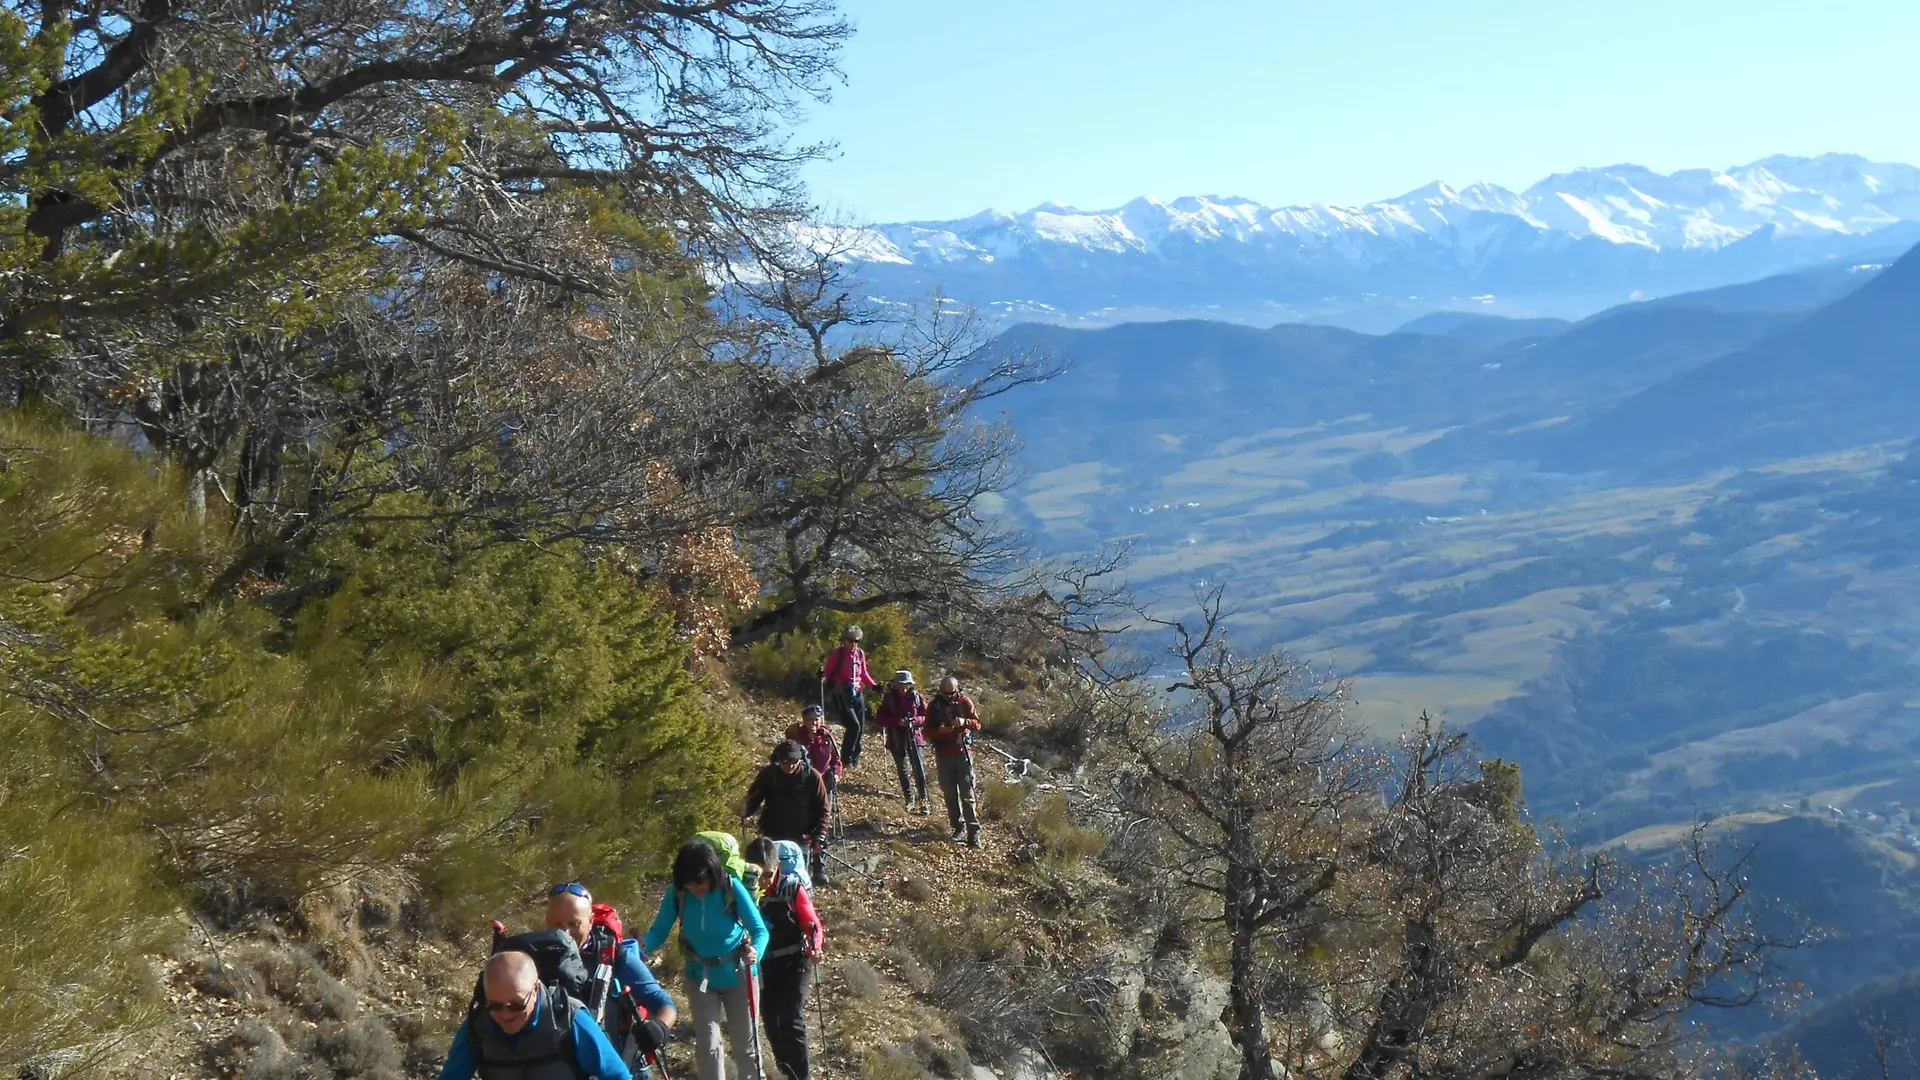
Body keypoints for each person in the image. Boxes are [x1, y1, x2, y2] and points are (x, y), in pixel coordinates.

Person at [642, 841, 770, 1080]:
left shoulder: (731, 889)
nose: (695, 888)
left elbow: (759, 930)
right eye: (689, 883)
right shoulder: (678, 893)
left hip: (739, 974)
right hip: (699, 976)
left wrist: (756, 951)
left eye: (700, 882)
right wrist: (639, 949)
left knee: (745, 1047)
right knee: (708, 1045)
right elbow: (659, 931)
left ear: (713, 872)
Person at [438, 950, 633, 1080]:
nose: (505, 1015)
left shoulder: (570, 1019)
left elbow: (618, 1076)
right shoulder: (478, 1027)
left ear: (536, 989)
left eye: (516, 1005)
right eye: (495, 1005)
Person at [545, 886, 677, 1072]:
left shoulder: (615, 956)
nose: (565, 933)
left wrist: (659, 1028)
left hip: (616, 1065)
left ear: (590, 922)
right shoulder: (534, 958)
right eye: (557, 925)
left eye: (574, 924)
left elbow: (664, 1004)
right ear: (546, 922)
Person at [744, 838, 826, 1080]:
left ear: (777, 865)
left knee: (791, 1019)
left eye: (768, 874)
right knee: (770, 1022)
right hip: (764, 964)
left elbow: (812, 923)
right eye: (759, 874)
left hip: (795, 961)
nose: (764, 881)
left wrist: (815, 947)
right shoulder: (743, 890)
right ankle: (786, 1071)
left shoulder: (792, 887)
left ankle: (802, 1076)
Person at [742, 740, 830, 884]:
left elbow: (824, 810)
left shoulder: (812, 777)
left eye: (794, 761)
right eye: (786, 761)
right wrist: (746, 810)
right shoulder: (769, 774)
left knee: (798, 880)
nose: (790, 766)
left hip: (802, 837)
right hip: (772, 835)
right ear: (778, 760)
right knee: (770, 879)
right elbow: (754, 798)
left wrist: (819, 837)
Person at [925, 676, 982, 848]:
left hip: (963, 753)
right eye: (944, 693)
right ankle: (958, 827)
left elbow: (978, 724)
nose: (948, 697)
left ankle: (974, 832)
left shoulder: (965, 702)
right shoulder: (934, 706)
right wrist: (939, 731)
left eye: (951, 693)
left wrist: (965, 722)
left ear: (956, 690)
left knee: (967, 794)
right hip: (943, 754)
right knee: (949, 793)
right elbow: (927, 731)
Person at [872, 670, 929, 815]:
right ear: (895, 685)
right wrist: (897, 722)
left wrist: (914, 721)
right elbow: (880, 719)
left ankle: (924, 801)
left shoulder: (917, 697)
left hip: (915, 737)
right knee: (903, 770)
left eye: (906, 685)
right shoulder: (889, 699)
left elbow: (926, 716)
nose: (903, 688)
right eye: (900, 685)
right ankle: (909, 800)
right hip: (896, 739)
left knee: (919, 769)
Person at [821, 626, 878, 769]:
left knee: (860, 725)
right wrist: (824, 678)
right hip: (842, 692)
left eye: (856, 641)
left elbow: (863, 673)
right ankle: (845, 758)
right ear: (844, 640)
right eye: (850, 641)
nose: (854, 644)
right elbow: (827, 672)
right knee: (854, 726)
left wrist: (874, 686)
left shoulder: (860, 654)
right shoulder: (837, 654)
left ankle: (854, 759)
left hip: (857, 692)